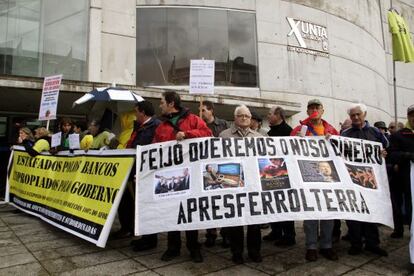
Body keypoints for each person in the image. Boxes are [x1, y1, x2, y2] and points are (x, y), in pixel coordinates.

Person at [153, 91, 212, 263]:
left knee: (189, 212)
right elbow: (154, 152)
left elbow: (208, 134)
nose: (160, 105)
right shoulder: (161, 127)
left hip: (190, 176)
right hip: (170, 178)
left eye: (162, 102)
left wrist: (187, 135)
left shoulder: (193, 119)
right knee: (172, 212)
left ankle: (194, 247)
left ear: (171, 103)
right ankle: (173, 248)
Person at [291, 99, 339, 262]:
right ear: (307, 111)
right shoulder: (298, 129)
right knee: (311, 213)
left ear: (322, 110)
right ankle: (311, 246)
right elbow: (289, 150)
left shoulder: (331, 130)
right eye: (311, 107)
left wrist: (333, 141)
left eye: (317, 107)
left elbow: (340, 151)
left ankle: (326, 245)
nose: (314, 110)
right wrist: (295, 140)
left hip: (328, 176)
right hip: (308, 176)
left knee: (328, 213)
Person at [341, 103, 388, 257]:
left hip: (371, 180)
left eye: (358, 114)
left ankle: (372, 244)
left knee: (371, 212)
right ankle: (356, 244)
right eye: (352, 115)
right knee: (354, 213)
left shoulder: (375, 132)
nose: (355, 117)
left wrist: (384, 152)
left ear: (364, 114)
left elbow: (388, 147)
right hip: (352, 180)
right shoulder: (345, 134)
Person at [219, 105, 263, 264]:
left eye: (247, 116)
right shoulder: (224, 136)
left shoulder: (259, 137)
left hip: (253, 184)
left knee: (255, 222)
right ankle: (236, 252)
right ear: (235, 118)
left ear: (251, 119)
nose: (244, 118)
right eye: (241, 115)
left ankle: (254, 251)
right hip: (234, 183)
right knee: (236, 220)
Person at [263, 106, 296, 247]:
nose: (268, 116)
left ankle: (289, 236)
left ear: (278, 115)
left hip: (285, 175)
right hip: (272, 174)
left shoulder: (289, 132)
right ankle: (276, 231)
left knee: (285, 206)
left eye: (270, 114)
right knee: (272, 204)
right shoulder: (269, 133)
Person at [199, 100, 230, 248]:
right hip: (207, 167)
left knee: (224, 202)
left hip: (222, 167)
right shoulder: (199, 125)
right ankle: (211, 234)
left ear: (211, 110)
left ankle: (225, 234)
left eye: (203, 110)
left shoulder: (223, 124)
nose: (201, 113)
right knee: (209, 203)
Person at [388, 104, 414, 239]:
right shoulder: (399, 135)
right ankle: (398, 230)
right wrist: (407, 156)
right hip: (400, 177)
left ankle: (412, 230)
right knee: (397, 204)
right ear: (409, 117)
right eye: (412, 115)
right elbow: (391, 154)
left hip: (412, 180)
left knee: (412, 206)